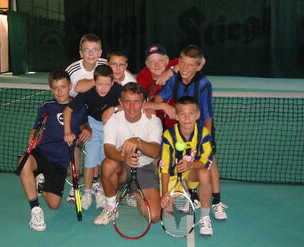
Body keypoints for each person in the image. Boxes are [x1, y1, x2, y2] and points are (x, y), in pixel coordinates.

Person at [155, 45, 228, 221]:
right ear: (178, 62)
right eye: (183, 63)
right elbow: (158, 99)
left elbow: (208, 115)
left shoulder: (203, 84)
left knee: (208, 164)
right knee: (185, 160)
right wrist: (164, 106)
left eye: (190, 65)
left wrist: (207, 139)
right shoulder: (174, 80)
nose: (185, 69)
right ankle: (193, 196)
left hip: (201, 129)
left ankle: (217, 202)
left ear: (199, 67)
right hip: (182, 129)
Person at [18, 70, 91, 231]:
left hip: (60, 162)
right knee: (23, 163)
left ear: (70, 86)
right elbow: (35, 128)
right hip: (41, 154)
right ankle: (35, 210)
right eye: (55, 88)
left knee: (54, 205)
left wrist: (87, 130)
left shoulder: (79, 107)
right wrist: (32, 137)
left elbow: (85, 125)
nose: (59, 92)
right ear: (51, 89)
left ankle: (40, 182)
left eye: (63, 87)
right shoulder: (47, 106)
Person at [94, 82, 163, 225]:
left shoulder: (153, 121)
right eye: (127, 102)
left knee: (154, 216)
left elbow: (155, 151)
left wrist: (138, 141)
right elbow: (108, 149)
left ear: (143, 102)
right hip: (122, 167)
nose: (132, 107)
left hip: (145, 169)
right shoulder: (113, 120)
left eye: (137, 102)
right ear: (121, 102)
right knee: (108, 164)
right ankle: (111, 208)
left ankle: (135, 192)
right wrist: (124, 157)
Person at [63, 64, 123, 211]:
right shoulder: (87, 92)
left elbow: (128, 105)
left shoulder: (118, 89)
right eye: (99, 84)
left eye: (107, 84)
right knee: (90, 162)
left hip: (111, 127)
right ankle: (88, 193)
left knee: (105, 162)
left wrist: (113, 109)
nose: (103, 88)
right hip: (93, 127)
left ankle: (101, 192)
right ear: (94, 82)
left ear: (113, 82)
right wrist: (67, 132)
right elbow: (68, 110)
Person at [160, 96, 213, 236]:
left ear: (198, 115)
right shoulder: (169, 135)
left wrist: (190, 164)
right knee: (167, 211)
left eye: (191, 113)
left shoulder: (203, 134)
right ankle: (180, 194)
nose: (187, 118)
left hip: (190, 172)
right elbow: (164, 169)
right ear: (176, 116)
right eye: (182, 114)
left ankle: (205, 217)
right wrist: (165, 193)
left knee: (205, 173)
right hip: (172, 176)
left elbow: (206, 161)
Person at [65, 33, 106, 201]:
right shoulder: (72, 69)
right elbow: (69, 94)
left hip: (100, 111)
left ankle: (96, 181)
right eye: (87, 50)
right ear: (81, 53)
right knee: (76, 143)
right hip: (79, 109)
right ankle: (75, 183)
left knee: (99, 144)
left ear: (101, 52)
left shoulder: (106, 65)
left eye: (95, 50)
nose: (91, 54)